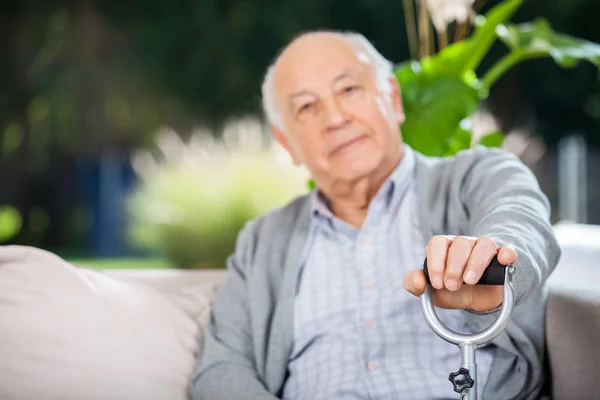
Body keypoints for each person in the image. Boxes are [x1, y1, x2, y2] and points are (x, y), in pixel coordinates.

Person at [191, 30, 561, 400]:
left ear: (393, 99)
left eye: (349, 90)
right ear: (288, 142)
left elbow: (521, 224)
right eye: (307, 107)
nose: (335, 118)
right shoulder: (263, 241)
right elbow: (221, 369)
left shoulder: (476, 177)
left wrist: (489, 261)